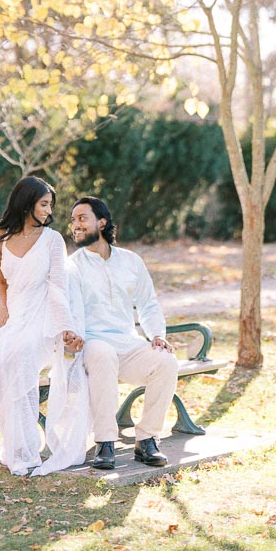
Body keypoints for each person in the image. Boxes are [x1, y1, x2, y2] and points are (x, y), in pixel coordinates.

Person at [66, 195, 178, 470]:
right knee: (102, 353)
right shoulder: (73, 265)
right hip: (92, 344)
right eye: (73, 220)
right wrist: (74, 336)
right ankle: (105, 442)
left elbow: (148, 304)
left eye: (82, 218)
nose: (75, 225)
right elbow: (72, 309)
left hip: (128, 344)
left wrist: (157, 335)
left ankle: (147, 439)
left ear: (101, 222)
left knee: (166, 361)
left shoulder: (131, 261)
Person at [0, 176, 88, 476]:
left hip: (44, 322)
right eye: (44, 204)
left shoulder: (53, 240)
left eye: (50, 205)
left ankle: (26, 450)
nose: (48, 211)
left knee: (21, 353)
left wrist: (65, 326)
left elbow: (58, 286)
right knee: (6, 353)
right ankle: (18, 447)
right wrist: (3, 311)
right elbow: (2, 282)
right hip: (15, 316)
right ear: (26, 202)